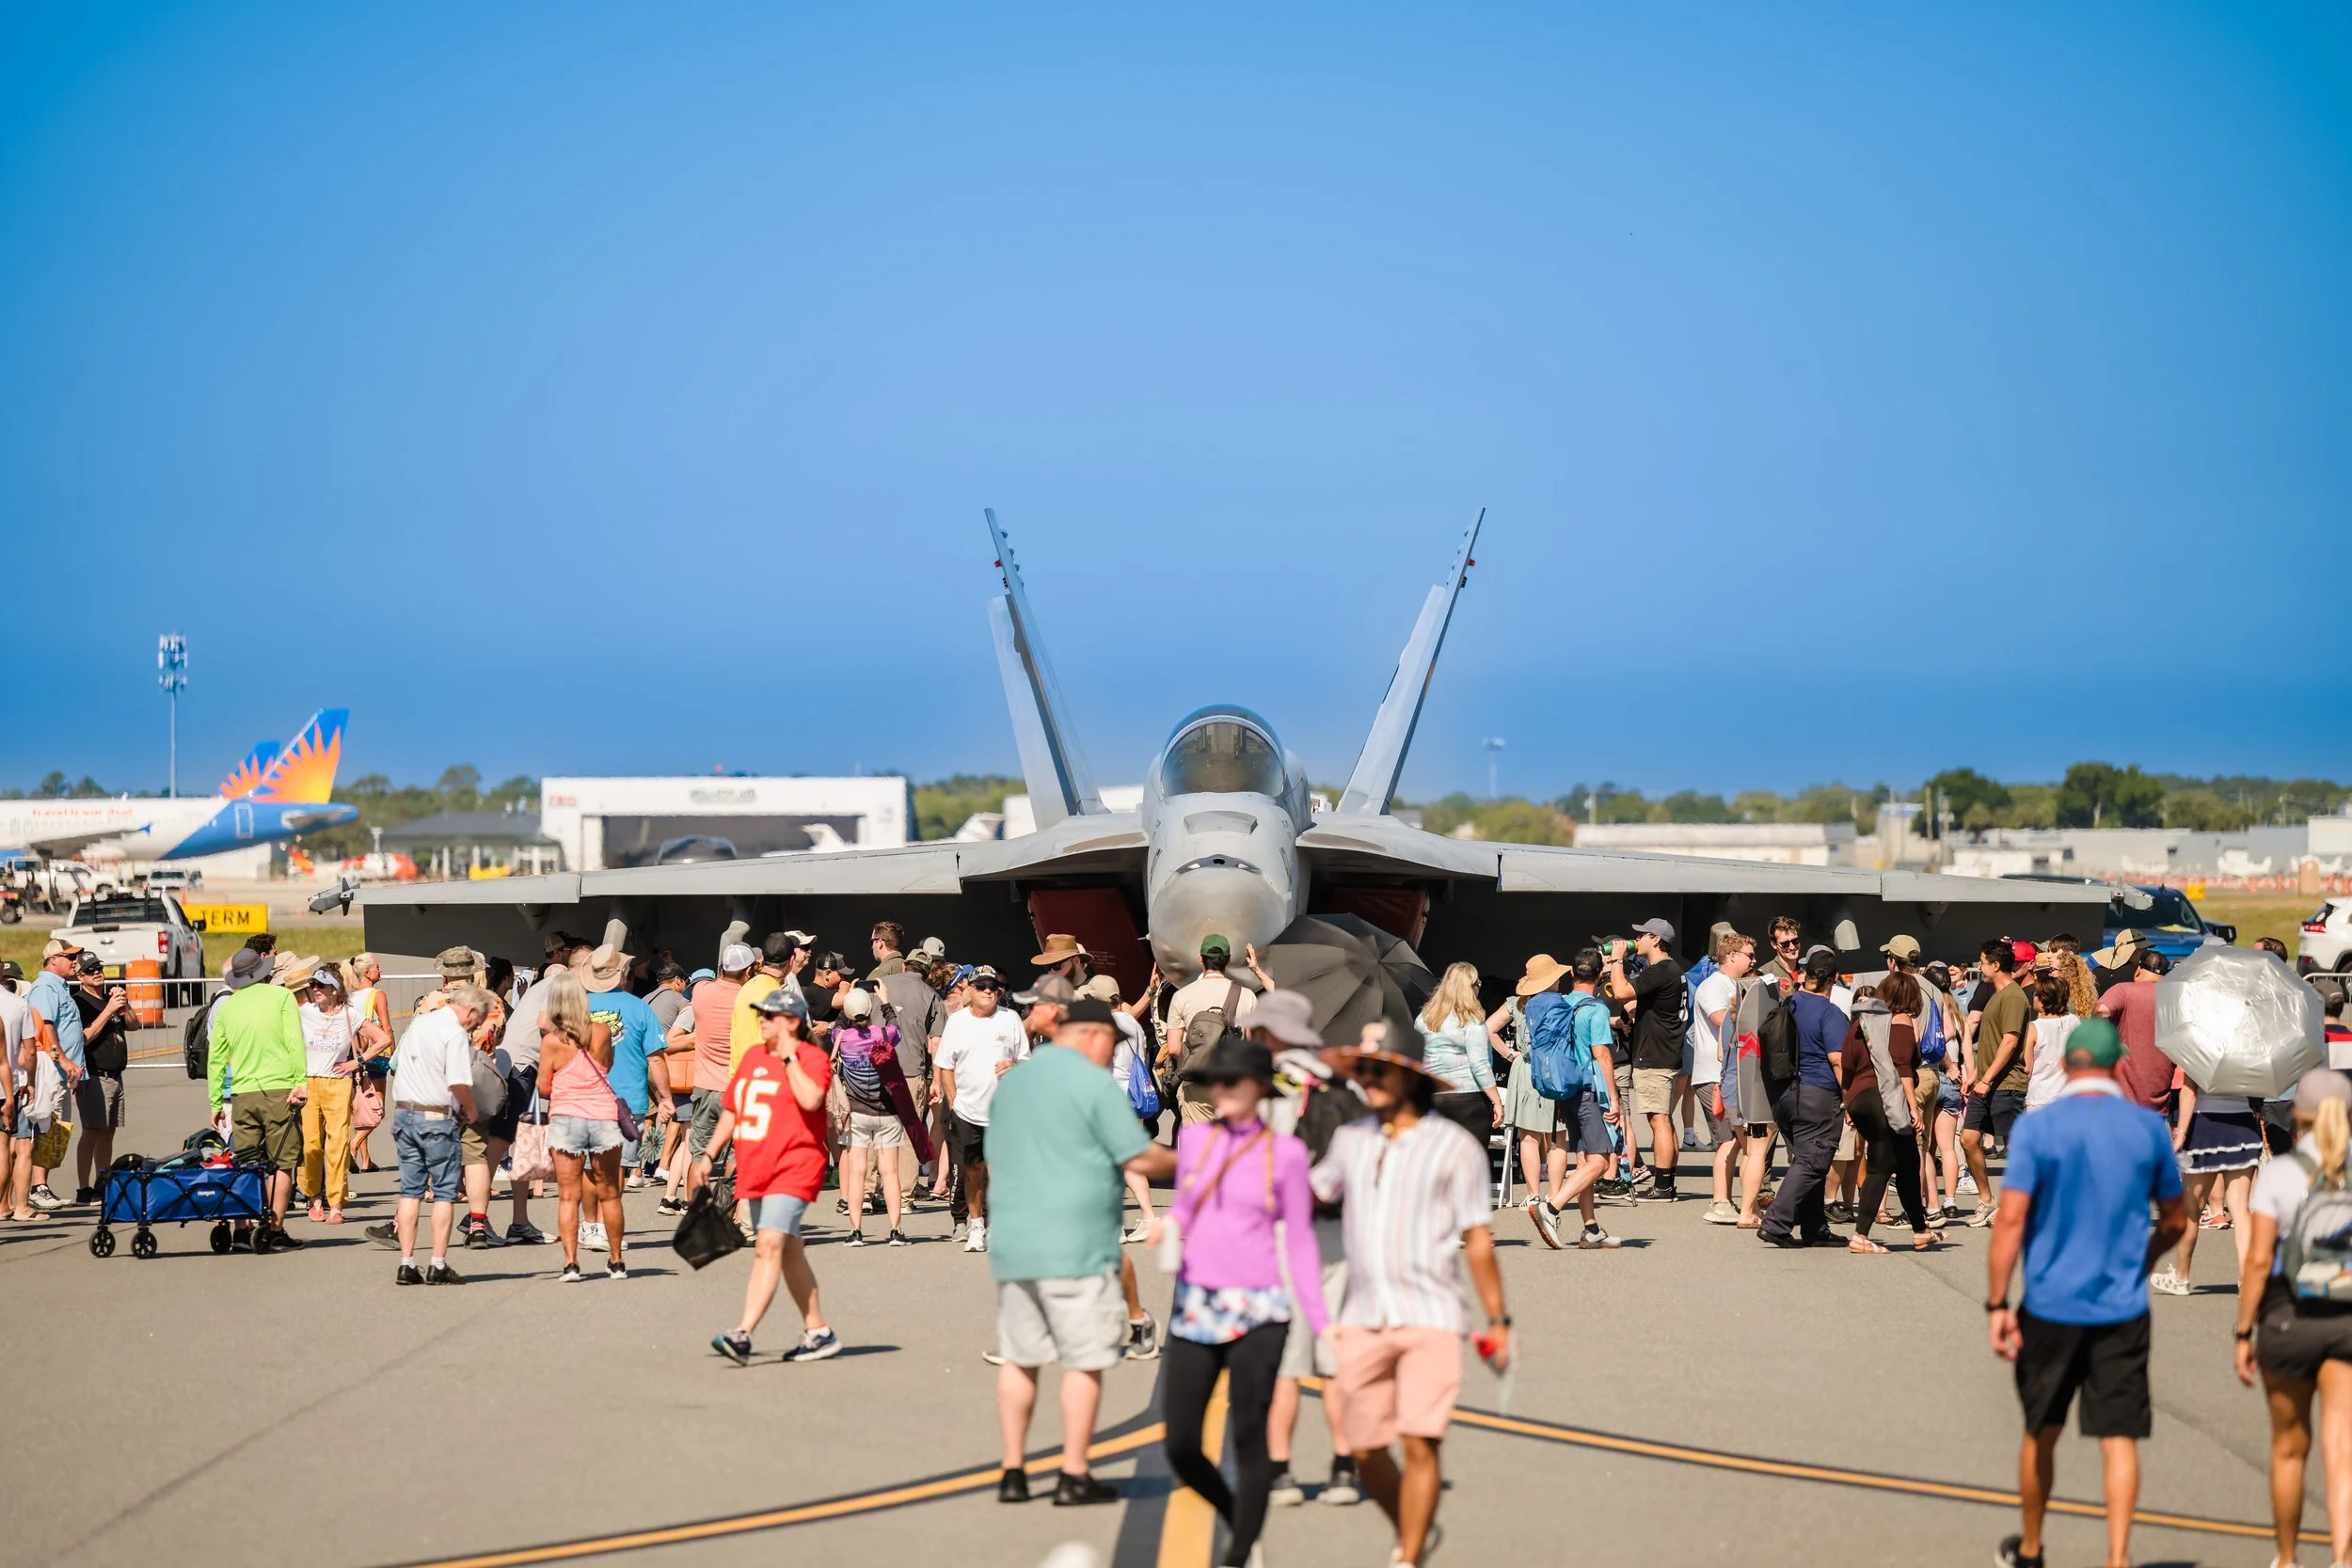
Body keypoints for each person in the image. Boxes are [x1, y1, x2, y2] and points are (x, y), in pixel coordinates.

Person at [1986, 1018, 2188, 1568]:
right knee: (2118, 1437)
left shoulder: (2038, 1129)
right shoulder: (2146, 1130)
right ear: (2118, 1065)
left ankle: (2030, 1549)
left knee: (2040, 1432)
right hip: (2120, 1305)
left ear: (2066, 1064)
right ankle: (2117, 1559)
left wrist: (1997, 1303)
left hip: (2050, 1304)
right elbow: (2176, 1220)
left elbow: (2010, 1222)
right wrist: (2143, 1261)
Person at [1314, 1020, 1512, 1568]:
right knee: (1363, 1447)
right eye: (1363, 1071)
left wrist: (1498, 1321)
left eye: (1381, 1071)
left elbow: (1476, 1238)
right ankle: (1414, 1525)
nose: (1369, 1080)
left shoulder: (1453, 1147)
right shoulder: (1350, 1138)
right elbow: (1308, 1191)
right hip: (1361, 1316)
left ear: (1411, 1077)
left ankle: (1408, 1555)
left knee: (1420, 1441)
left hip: (1430, 1316)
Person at [985, 996, 1176, 1505]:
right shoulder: (1092, 1085)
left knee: (1020, 1360)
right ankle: (1073, 1474)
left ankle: (1013, 1471)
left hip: (1016, 1243)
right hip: (1077, 1243)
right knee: (1082, 1362)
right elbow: (1138, 1154)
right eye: (1110, 1042)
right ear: (1091, 1035)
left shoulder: (1015, 1082)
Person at [1159, 1034, 1331, 1568]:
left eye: (1233, 1082)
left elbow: (1300, 1241)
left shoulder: (1288, 1153)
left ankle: (1239, 1553)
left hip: (1261, 1309)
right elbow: (1189, 1205)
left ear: (1260, 1089)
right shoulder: (1193, 1142)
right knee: (1181, 1444)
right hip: (1196, 1306)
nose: (1221, 1090)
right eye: (1216, 1082)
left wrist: (1325, 1325)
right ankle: (1240, 1516)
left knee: (1250, 1440)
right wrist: (1170, 1225)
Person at [2233, 1068, 2352, 1568]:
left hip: (2288, 1316)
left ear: (2297, 1116)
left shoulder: (2280, 1173)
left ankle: (2286, 1557)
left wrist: (2243, 1331)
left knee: (2288, 1447)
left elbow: (2259, 1261)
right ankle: (2344, 1559)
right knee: (2342, 1448)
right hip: (2346, 1315)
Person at [702, 988, 840, 1364]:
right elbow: (732, 1108)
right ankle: (819, 1331)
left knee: (767, 1247)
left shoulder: (812, 1057)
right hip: (756, 1166)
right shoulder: (751, 1057)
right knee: (789, 1251)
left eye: (769, 1015)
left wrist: (790, 1057)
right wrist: (709, 1154)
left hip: (794, 1166)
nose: (761, 1019)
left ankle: (743, 1333)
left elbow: (811, 1100)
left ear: (792, 1022)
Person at [207, 944, 308, 1246]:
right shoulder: (282, 998)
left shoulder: (229, 1007)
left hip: (242, 1093)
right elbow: (294, 1042)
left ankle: (242, 1227)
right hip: (280, 1089)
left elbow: (217, 1058)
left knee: (246, 1161)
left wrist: (215, 1101)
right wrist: (300, 1082)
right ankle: (275, 1228)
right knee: (283, 1162)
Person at [1521, 951, 1623, 1250]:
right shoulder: (1598, 1010)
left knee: (1582, 1159)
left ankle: (1590, 1229)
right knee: (1601, 1161)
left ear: (1571, 976)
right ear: (1600, 975)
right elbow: (1602, 1056)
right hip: (1592, 1091)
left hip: (1567, 1091)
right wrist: (1614, 1100)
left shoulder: (1563, 1004)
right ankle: (1551, 1208)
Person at [389, 983, 488, 1285]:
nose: (475, 1028)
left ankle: (406, 1263)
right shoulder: (454, 1033)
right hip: (436, 1116)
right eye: (478, 1021)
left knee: (410, 1190)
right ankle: (438, 1263)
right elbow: (459, 1082)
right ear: (470, 1011)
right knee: (444, 1192)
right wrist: (470, 1109)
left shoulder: (419, 1024)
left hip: (404, 1112)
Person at [2154, 1039, 2267, 1299]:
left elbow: (2189, 1091)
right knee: (2240, 1209)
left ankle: (2181, 1277)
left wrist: (2180, 1132)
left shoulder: (2199, 1043)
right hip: (2242, 1126)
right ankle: (2246, 1280)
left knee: (2191, 1209)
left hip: (2205, 1129)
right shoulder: (2249, 1045)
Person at [535, 971, 628, 1281]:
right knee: (610, 1192)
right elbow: (608, 1065)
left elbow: (544, 1087)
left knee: (567, 1196)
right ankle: (616, 1262)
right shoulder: (601, 1031)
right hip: (602, 1114)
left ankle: (571, 1263)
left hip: (566, 1118)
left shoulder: (551, 1041)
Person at [1759, 946, 1850, 1248]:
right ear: (1833, 980)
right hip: (1817, 1095)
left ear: (1805, 975)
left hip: (1783, 1094)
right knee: (1814, 1160)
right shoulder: (1830, 1013)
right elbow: (1838, 1060)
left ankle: (1814, 1227)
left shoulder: (1789, 1003)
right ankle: (1776, 1222)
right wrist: (1849, 1097)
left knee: (1808, 1159)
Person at [937, 966, 1030, 1254]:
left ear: (999, 992)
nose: (988, 991)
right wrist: (953, 1103)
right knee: (973, 1171)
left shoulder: (1010, 1019)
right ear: (970, 990)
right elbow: (945, 1066)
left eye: (992, 987)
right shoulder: (957, 1023)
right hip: (967, 1111)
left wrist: (1015, 1065)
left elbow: (1026, 1060)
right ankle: (975, 1225)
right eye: (981, 986)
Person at [1840, 974, 1934, 1254]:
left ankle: (1920, 1231)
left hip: (1859, 1098)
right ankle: (1860, 1235)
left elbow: (1846, 1065)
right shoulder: (1901, 1021)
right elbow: (1903, 1067)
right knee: (1881, 1163)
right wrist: (1913, 1108)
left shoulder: (1861, 1022)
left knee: (1906, 1162)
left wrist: (1847, 1103)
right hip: (1885, 1100)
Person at [580, 943, 670, 1221]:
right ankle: (610, 1225)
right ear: (623, 975)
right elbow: (655, 1059)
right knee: (619, 1165)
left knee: (589, 1167)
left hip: (584, 1098)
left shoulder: (579, 1005)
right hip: (629, 1099)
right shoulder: (639, 1007)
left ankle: (590, 1225)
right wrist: (666, 1097)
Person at [1608, 918, 1686, 1202]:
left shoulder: (1662, 969)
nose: (1635, 938)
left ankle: (1662, 1187)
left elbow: (1621, 992)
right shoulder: (1671, 970)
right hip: (1665, 1051)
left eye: (1640, 935)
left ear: (1655, 939)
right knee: (1664, 1118)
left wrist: (1617, 960)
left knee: (1658, 1120)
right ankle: (1668, 1182)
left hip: (1655, 1054)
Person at [1490, 955, 1567, 1236]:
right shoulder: (1562, 1003)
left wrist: (1510, 1054)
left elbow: (1488, 1029)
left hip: (1525, 1068)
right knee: (1559, 1135)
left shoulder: (1516, 1003)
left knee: (1529, 1137)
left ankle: (1533, 1194)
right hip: (1556, 1068)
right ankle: (1556, 1194)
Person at [832, 988, 914, 1246]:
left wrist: (847, 997)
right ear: (869, 1011)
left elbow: (838, 1025)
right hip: (886, 1112)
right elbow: (896, 1027)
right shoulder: (883, 1035)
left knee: (857, 1172)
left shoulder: (841, 1038)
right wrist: (886, 1003)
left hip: (856, 1112)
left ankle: (856, 1232)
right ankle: (895, 1231)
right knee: (889, 1172)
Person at [1962, 939, 2032, 1228]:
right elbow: (1991, 1043)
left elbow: (2010, 1040)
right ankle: (1987, 1200)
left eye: (1983, 961)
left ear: (1995, 965)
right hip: (1985, 1082)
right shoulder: (1994, 994)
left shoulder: (2014, 997)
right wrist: (1975, 1074)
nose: (1980, 966)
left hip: (2006, 1083)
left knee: (2015, 1150)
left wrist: (1987, 1078)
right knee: (1968, 1139)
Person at [1689, 931, 1752, 1224]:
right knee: (1728, 1140)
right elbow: (1721, 1019)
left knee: (1733, 1140)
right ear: (1732, 956)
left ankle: (1724, 1201)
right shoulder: (1715, 985)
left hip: (1723, 1073)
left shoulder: (1729, 984)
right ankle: (1720, 1202)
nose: (1754, 959)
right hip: (1715, 1075)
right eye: (1749, 954)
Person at [1165, 935, 1259, 1125]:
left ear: (1200, 959)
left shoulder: (1181, 996)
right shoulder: (1248, 996)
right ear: (1229, 960)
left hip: (1195, 1085)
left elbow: (1174, 1048)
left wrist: (1198, 1061)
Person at [22, 938, 87, 1212]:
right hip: (52, 1070)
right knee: (48, 1127)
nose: (76, 962)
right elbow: (46, 1028)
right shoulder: (46, 987)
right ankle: (38, 1187)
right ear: (53, 960)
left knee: (57, 1128)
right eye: (70, 957)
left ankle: (41, 1185)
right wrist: (65, 1060)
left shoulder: (58, 986)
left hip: (63, 1072)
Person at [295, 965, 364, 1224]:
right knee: (311, 1143)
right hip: (309, 1082)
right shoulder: (304, 1013)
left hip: (338, 1084)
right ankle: (313, 1198)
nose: (315, 990)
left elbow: (381, 1039)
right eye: (313, 985)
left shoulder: (350, 1014)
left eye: (320, 985)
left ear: (334, 990)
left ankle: (336, 1202)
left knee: (338, 1144)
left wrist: (356, 1062)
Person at [1414, 962, 1500, 1144]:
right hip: (1467, 1099)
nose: (1479, 989)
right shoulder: (1471, 1021)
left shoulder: (1424, 1018)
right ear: (1470, 988)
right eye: (1478, 984)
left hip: (1433, 1096)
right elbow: (1479, 1065)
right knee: (1469, 1163)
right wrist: (1496, 1101)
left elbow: (1417, 1056)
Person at [69, 952, 130, 1203]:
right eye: (90, 969)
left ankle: (102, 1182)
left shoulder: (109, 999)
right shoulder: (79, 1003)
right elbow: (83, 1037)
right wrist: (108, 1010)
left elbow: (134, 1025)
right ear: (80, 976)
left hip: (116, 1077)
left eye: (98, 967)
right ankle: (83, 1188)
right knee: (92, 1131)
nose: (97, 972)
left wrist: (125, 1004)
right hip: (94, 1075)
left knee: (108, 1133)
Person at [345, 953, 396, 1173]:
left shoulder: (349, 995)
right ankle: (354, 1145)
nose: (381, 969)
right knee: (377, 1109)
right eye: (377, 967)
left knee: (360, 1109)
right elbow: (386, 1027)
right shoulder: (377, 995)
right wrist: (393, 1052)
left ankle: (366, 1160)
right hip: (376, 1054)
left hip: (355, 1054)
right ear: (367, 973)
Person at [2022, 972, 2078, 1114]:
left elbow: (2027, 1068)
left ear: (2043, 999)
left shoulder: (2034, 1028)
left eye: (2036, 994)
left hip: (2041, 1097)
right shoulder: (2074, 1021)